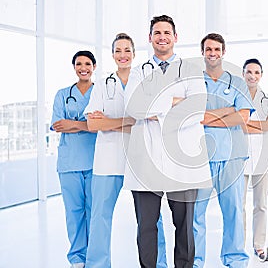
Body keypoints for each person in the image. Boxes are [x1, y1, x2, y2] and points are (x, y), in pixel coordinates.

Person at [124, 15, 211, 268]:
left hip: (181, 160)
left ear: (175, 37)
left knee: (184, 226)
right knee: (146, 226)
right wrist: (174, 102)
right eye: (157, 32)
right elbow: (134, 108)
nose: (162, 37)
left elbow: (197, 108)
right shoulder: (139, 72)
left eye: (167, 32)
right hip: (146, 160)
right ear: (150, 38)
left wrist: (154, 104)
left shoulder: (191, 70)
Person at [82, 33, 168, 268]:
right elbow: (92, 124)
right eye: (118, 51)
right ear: (112, 55)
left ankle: (159, 264)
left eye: (127, 50)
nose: (123, 55)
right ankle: (97, 264)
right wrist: (130, 120)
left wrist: (111, 121)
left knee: (150, 220)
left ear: (134, 53)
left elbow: (156, 114)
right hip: (107, 161)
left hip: (141, 160)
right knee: (100, 218)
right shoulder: (102, 84)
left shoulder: (146, 80)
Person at [193, 33, 254, 268]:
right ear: (203, 52)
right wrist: (228, 112)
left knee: (234, 212)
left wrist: (209, 118)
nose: (212, 53)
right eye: (208, 49)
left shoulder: (237, 82)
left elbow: (243, 117)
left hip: (232, 156)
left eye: (216, 49)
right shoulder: (195, 82)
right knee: (196, 215)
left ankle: (235, 259)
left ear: (223, 52)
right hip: (202, 157)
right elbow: (193, 116)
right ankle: (196, 261)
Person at [51, 50, 98, 268]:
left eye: (87, 63)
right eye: (79, 64)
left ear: (94, 67)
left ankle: (95, 257)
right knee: (74, 212)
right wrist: (87, 125)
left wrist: (74, 124)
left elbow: (103, 126)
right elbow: (58, 125)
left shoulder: (101, 94)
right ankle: (78, 258)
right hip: (69, 163)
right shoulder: (62, 94)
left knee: (95, 212)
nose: (83, 68)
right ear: (74, 67)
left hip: (96, 162)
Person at [241, 58, 268, 262]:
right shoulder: (237, 97)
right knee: (239, 206)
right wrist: (261, 125)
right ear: (243, 74)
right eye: (249, 72)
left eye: (256, 72)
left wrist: (249, 125)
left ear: (261, 75)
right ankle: (238, 246)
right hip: (241, 159)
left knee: (261, 205)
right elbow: (236, 125)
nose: (252, 76)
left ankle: (259, 245)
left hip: (263, 160)